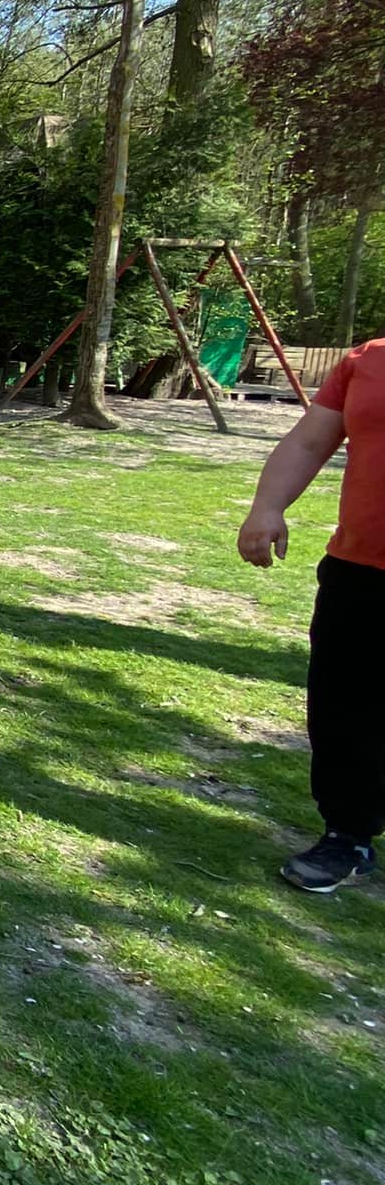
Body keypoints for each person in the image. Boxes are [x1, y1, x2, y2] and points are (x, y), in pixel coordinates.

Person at [238, 338, 384, 892]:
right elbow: (308, 441)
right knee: (344, 706)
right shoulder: (367, 360)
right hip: (362, 567)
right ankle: (348, 835)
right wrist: (267, 507)